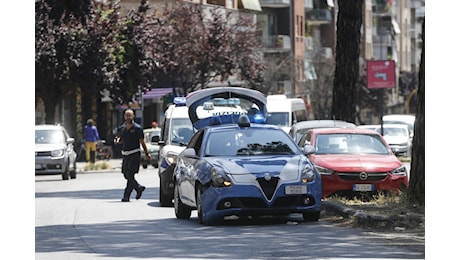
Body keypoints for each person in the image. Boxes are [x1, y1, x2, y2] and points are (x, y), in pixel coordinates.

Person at [114, 109, 150, 202]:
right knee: (126, 174)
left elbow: (142, 141)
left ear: (133, 116)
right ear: (124, 117)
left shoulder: (137, 128)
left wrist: (146, 153)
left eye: (130, 115)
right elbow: (120, 138)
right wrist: (117, 141)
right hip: (125, 154)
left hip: (134, 153)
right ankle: (138, 188)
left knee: (130, 174)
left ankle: (126, 196)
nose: (128, 117)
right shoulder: (122, 128)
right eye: (127, 115)